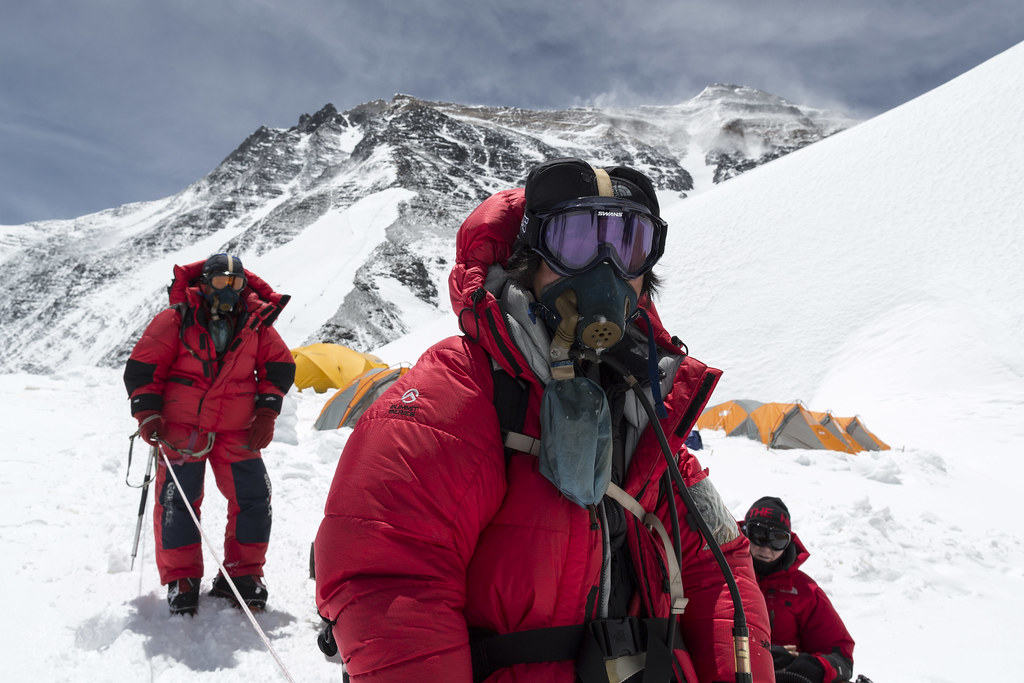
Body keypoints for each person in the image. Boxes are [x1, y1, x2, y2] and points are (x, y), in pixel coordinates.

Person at [315, 158, 774, 682]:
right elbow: (389, 575)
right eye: (576, 240)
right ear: (526, 259)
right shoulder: (459, 391)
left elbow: (720, 563)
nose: (605, 269)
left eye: (629, 246)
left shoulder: (644, 410)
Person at [124, 253, 295, 615]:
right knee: (178, 501)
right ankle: (182, 578)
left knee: (253, 498)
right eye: (221, 282)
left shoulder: (257, 323)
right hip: (181, 429)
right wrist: (147, 412)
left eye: (236, 284)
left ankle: (243, 574)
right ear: (204, 283)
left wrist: (267, 411)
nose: (229, 291)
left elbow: (278, 366)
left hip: (237, 430)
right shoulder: (175, 319)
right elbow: (144, 366)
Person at [742, 497, 855, 683]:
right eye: (759, 535)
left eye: (777, 540)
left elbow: (841, 656)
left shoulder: (804, 591)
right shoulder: (721, 576)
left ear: (787, 544)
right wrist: (760, 653)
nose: (766, 548)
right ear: (745, 532)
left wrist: (813, 666)